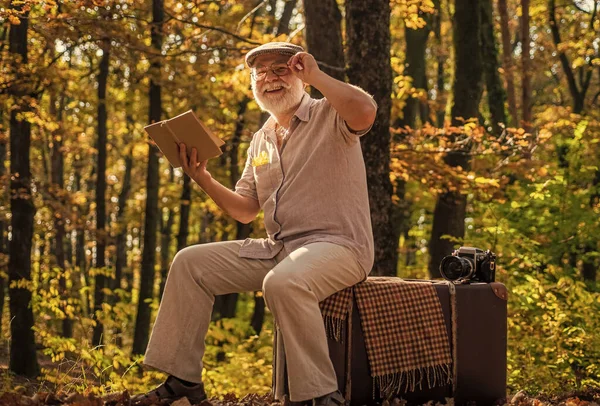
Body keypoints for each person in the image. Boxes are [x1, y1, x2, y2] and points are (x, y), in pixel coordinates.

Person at [132, 42, 377, 406]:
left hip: (339, 247)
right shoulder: (261, 139)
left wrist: (318, 76)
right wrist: (203, 178)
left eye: (280, 69)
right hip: (280, 250)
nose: (269, 78)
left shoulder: (330, 112)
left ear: (300, 74)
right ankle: (184, 381)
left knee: (283, 281)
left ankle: (321, 395)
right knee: (190, 263)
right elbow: (246, 210)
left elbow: (366, 111)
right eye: (260, 72)